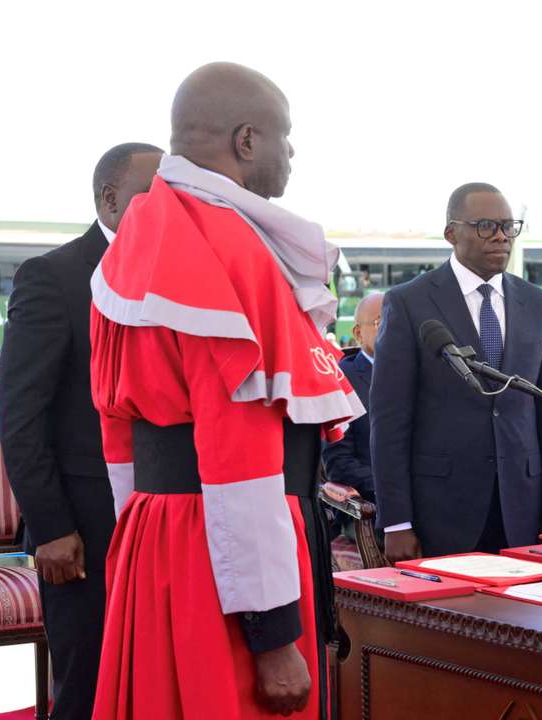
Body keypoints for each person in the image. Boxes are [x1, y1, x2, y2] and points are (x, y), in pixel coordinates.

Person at [89, 63, 362, 718]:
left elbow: (115, 430)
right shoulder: (226, 250)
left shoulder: (134, 242)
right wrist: (271, 633)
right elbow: (239, 460)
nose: (290, 153)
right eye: (285, 137)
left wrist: (138, 553)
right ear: (246, 141)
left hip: (158, 543)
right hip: (230, 562)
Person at [0, 142, 162, 720]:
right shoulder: (54, 277)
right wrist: (51, 528)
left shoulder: (180, 279)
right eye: (153, 194)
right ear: (110, 199)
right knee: (88, 686)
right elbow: (19, 417)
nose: (168, 208)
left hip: (165, 520)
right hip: (84, 530)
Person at [372, 183, 542, 561]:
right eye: (485, 226)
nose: (500, 236)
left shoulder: (538, 304)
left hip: (524, 511)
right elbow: (389, 421)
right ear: (451, 233)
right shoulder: (409, 303)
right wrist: (397, 522)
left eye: (507, 226)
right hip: (442, 512)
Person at [322, 293, 383, 515]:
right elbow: (339, 463)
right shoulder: (341, 379)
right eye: (380, 322)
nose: (395, 330)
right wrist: (397, 492)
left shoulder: (420, 374)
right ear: (358, 333)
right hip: (374, 503)